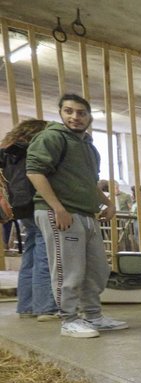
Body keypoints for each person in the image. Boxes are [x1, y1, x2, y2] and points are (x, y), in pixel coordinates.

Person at [26, 94, 125, 338]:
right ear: (60, 113)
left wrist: (108, 202)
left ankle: (93, 315)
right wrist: (58, 208)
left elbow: (89, 182)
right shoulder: (52, 137)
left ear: (90, 116)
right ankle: (68, 319)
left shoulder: (88, 146)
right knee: (67, 269)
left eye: (81, 113)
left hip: (85, 213)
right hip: (62, 212)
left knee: (97, 269)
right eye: (69, 111)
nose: (75, 117)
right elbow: (35, 172)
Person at [2, 119, 58, 321]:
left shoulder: (9, 152)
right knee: (44, 257)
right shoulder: (33, 148)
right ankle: (45, 307)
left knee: (30, 256)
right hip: (37, 204)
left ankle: (26, 306)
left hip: (21, 208)